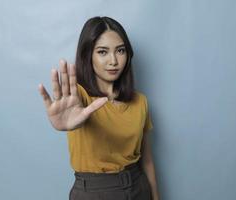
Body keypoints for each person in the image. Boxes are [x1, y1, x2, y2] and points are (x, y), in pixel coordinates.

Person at [38, 16, 160, 200]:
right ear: (88, 55)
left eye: (120, 51)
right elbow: (71, 107)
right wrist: (64, 121)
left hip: (138, 187)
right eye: (102, 52)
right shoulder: (77, 97)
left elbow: (147, 160)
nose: (113, 61)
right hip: (94, 192)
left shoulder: (140, 101)